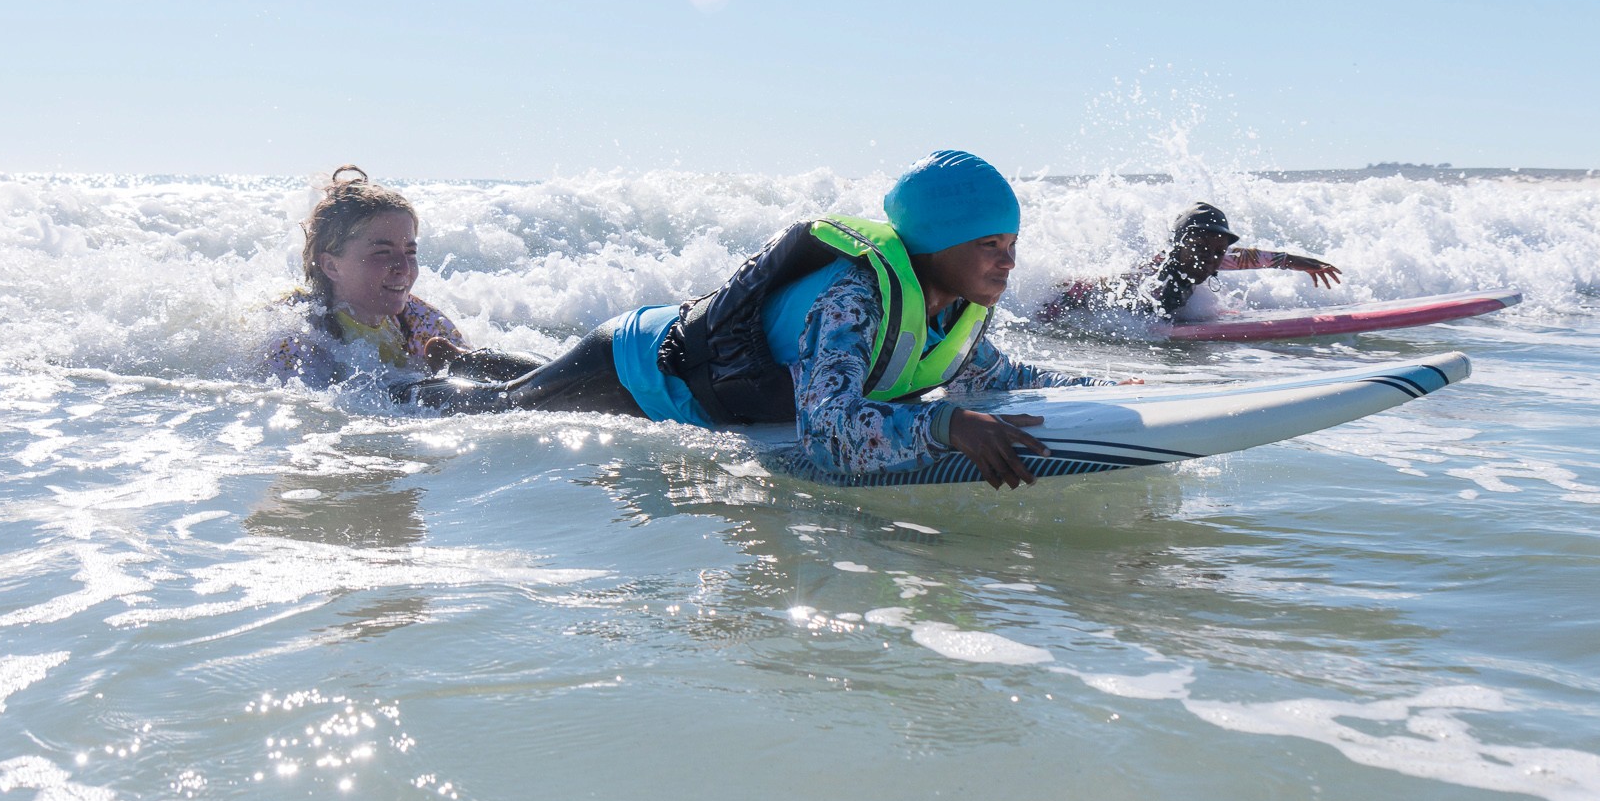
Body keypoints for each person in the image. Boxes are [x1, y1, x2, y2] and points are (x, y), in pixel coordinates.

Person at [410, 150, 1114, 487]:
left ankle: (461, 354)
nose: (1007, 262)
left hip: (665, 360)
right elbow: (830, 432)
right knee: (493, 411)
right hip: (639, 367)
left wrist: (1100, 390)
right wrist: (946, 425)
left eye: (1012, 244)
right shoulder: (855, 298)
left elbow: (999, 375)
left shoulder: (955, 310)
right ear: (933, 243)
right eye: (987, 244)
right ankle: (412, 387)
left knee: (522, 383)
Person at [264, 166, 541, 391]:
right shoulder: (297, 331)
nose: (403, 267)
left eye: (410, 252)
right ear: (331, 266)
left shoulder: (417, 318)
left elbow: (478, 372)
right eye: (382, 253)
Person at [1037, 202, 1343, 324]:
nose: (1209, 259)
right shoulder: (1151, 272)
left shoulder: (1215, 257)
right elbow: (1092, 289)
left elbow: (1265, 258)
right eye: (1200, 247)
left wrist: (1306, 263)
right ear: (1178, 246)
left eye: (1218, 251)